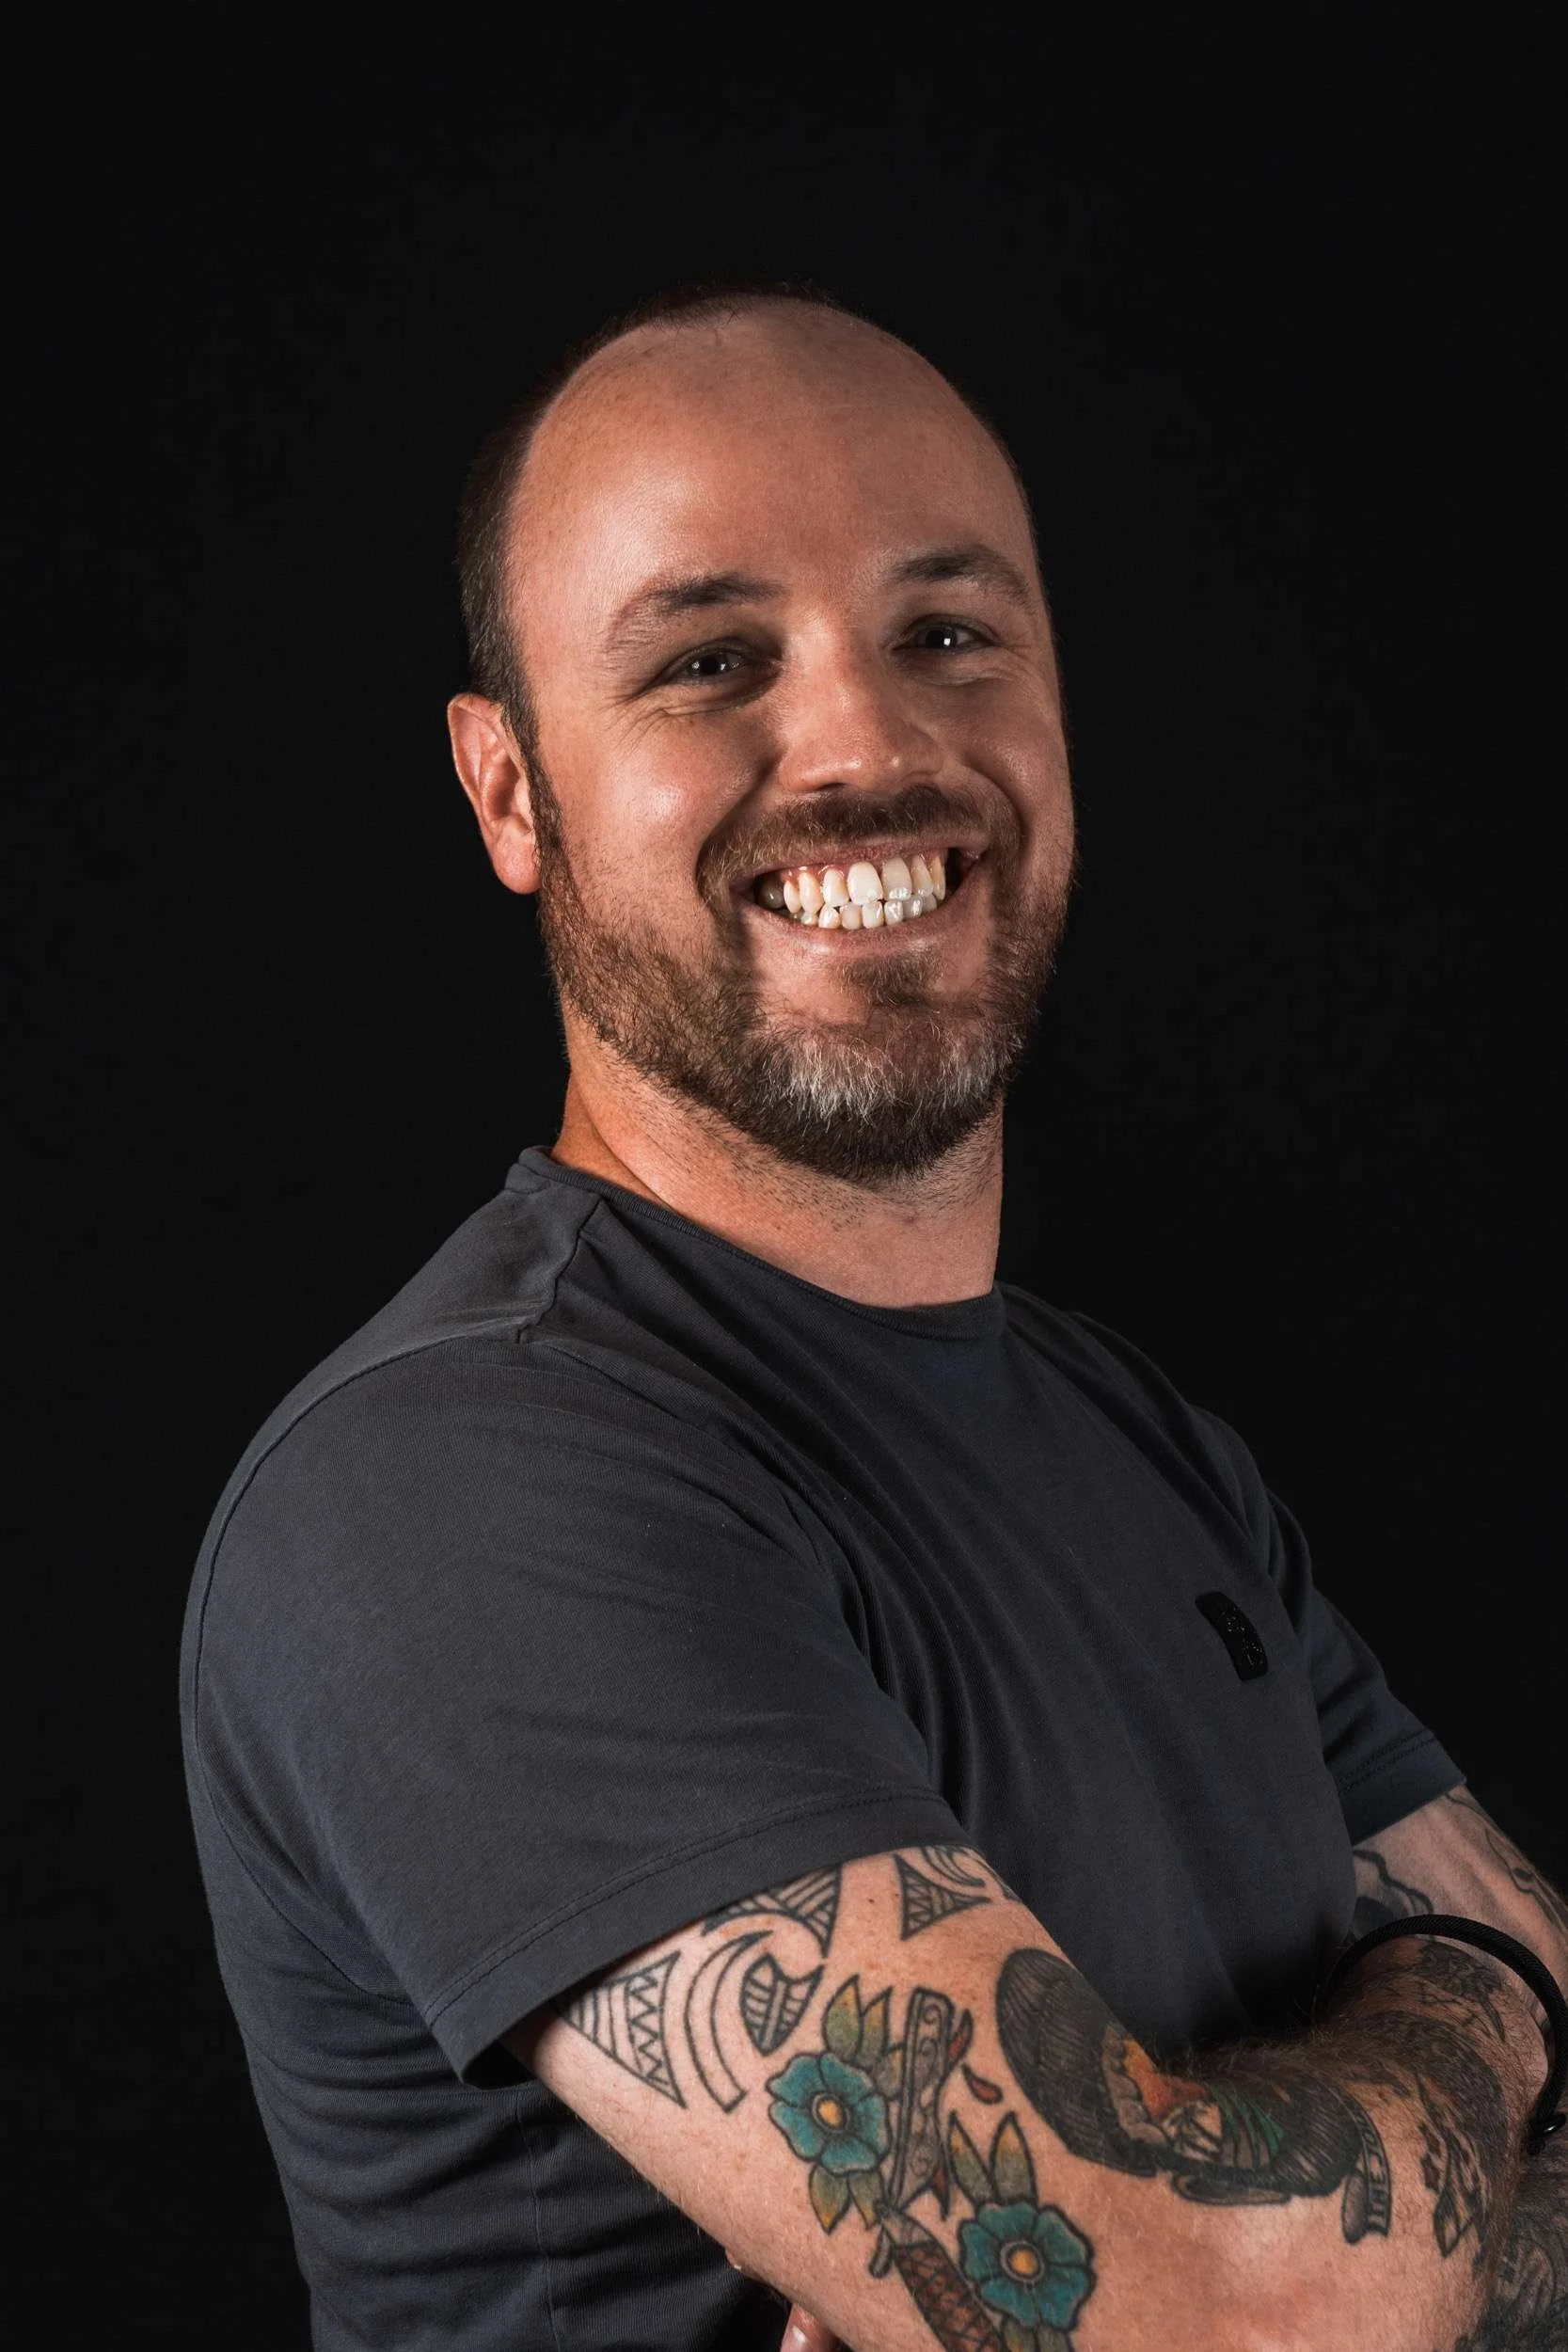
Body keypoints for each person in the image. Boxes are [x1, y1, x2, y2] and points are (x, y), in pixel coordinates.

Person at [182, 286, 1566, 2352]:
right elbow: (1210, 2317)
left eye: (946, 633)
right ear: (508, 787)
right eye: (707, 660)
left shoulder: (1140, 1443)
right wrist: (1476, 2003)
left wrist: (1349, 2169)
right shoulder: (450, 1492)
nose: (862, 743)